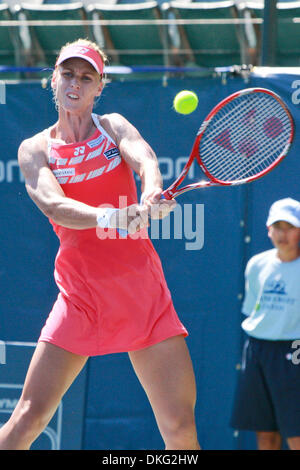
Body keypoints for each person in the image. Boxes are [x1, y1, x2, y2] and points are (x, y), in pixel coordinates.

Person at [0, 39, 200, 450]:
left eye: (86, 77)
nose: (75, 82)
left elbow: (143, 159)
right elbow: (55, 206)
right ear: (53, 80)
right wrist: (111, 216)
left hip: (141, 293)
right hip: (80, 298)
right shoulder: (35, 149)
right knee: (28, 418)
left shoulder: (114, 127)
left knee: (179, 426)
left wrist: (152, 193)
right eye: (68, 74)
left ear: (99, 88)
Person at [230, 197, 300, 450]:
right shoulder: (257, 265)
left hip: (294, 351)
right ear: (268, 229)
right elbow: (253, 311)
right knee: (265, 434)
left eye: (289, 227)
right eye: (277, 226)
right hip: (258, 351)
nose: (283, 234)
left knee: (296, 434)